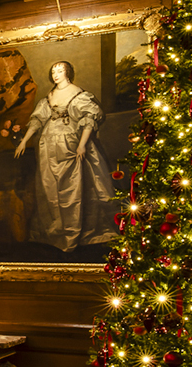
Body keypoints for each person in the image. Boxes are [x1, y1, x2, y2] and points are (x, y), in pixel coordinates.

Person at [12, 60, 117, 253]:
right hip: (48, 146)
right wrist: (25, 140)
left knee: (74, 188)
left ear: (68, 72)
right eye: (53, 71)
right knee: (50, 188)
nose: (56, 74)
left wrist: (82, 145)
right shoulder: (49, 97)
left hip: (72, 144)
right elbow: (38, 120)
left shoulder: (78, 94)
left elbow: (89, 119)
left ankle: (76, 234)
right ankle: (58, 232)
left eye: (60, 70)